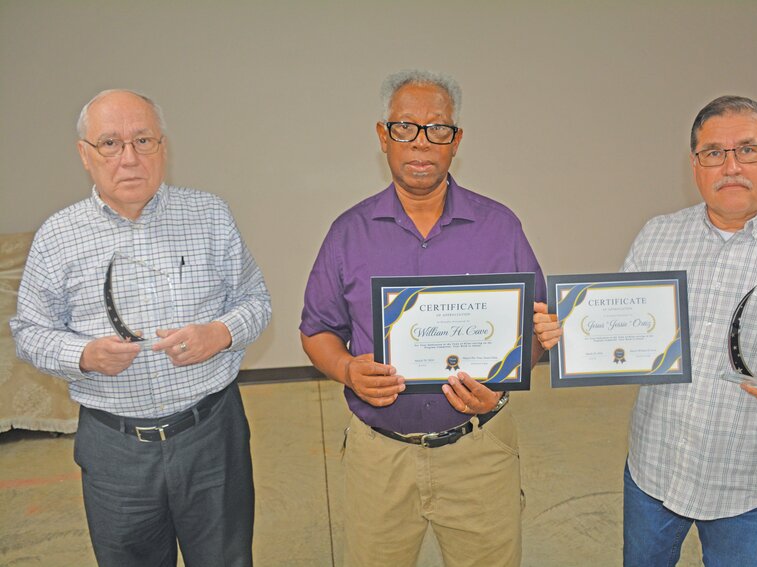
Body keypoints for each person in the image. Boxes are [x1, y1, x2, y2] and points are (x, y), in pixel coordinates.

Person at [535, 95, 757, 566]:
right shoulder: (659, 234)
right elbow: (616, 328)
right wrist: (564, 334)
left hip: (745, 479)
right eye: (713, 153)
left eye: (748, 150)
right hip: (653, 466)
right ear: (695, 164)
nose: (731, 166)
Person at [10, 89, 272, 567]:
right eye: (110, 143)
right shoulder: (58, 235)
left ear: (163, 148)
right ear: (85, 155)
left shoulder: (209, 215)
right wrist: (84, 355)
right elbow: (27, 332)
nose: (129, 158)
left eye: (143, 140)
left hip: (211, 433)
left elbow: (256, 302)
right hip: (115, 448)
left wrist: (220, 333)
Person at [300, 69, 546, 567]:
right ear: (383, 137)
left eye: (437, 129)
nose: (420, 143)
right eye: (405, 128)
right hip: (379, 457)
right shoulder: (349, 233)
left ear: (455, 142)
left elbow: (537, 329)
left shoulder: (500, 227)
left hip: (479, 450)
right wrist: (348, 370)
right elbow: (316, 330)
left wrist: (503, 381)